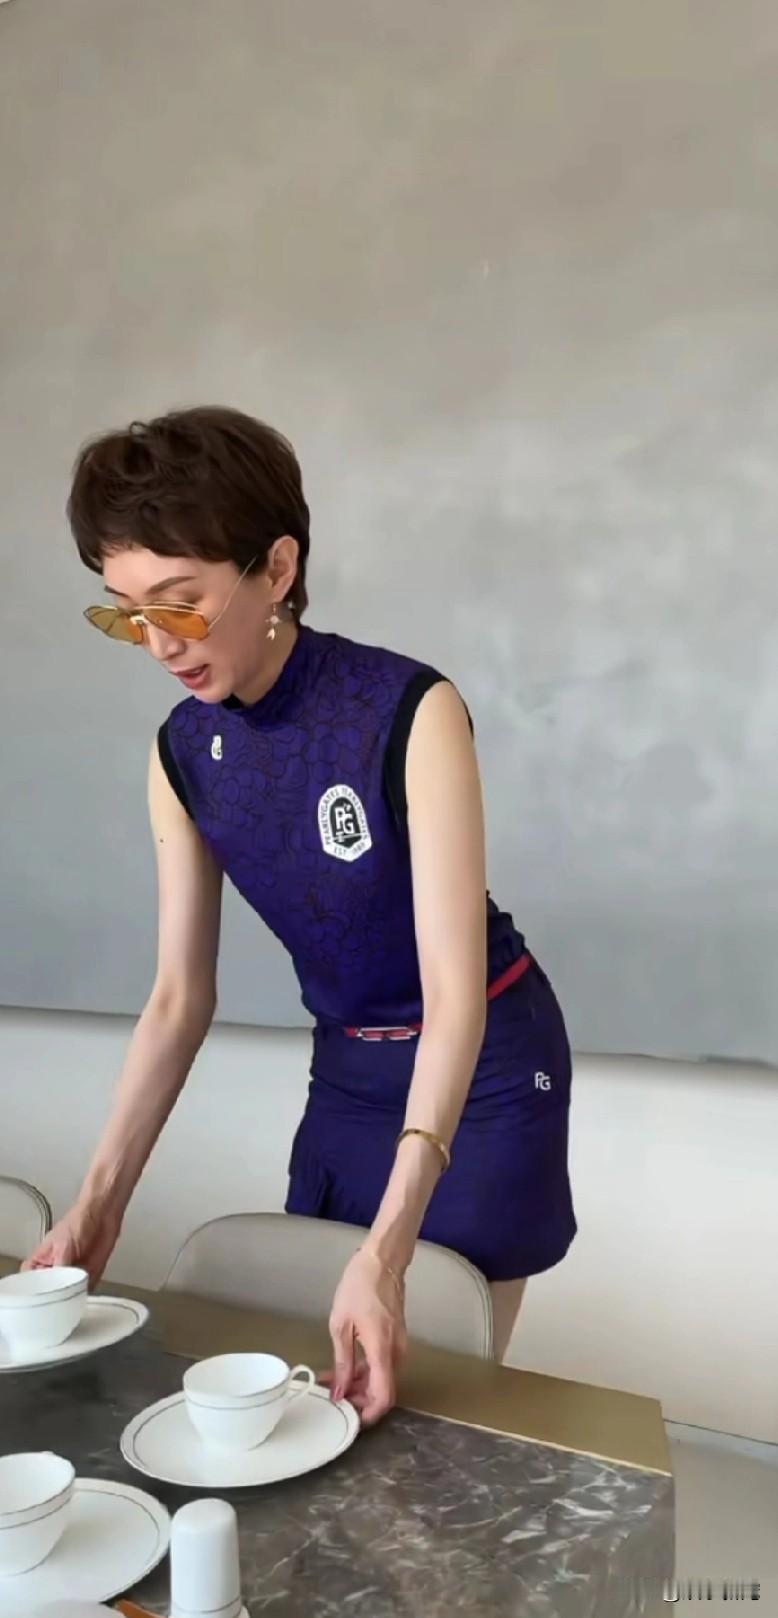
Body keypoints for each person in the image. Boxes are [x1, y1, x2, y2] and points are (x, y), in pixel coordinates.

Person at [25, 406, 576, 1423]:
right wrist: (99, 1205)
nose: (157, 642)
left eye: (181, 604)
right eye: (126, 612)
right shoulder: (181, 754)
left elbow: (453, 995)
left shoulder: (407, 710)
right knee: (316, 1387)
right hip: (350, 1067)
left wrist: (389, 1249)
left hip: (486, 1058)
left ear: (276, 568)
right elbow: (178, 998)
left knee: (432, 1396)